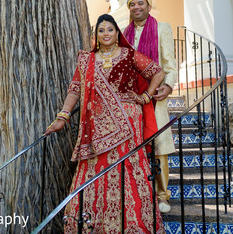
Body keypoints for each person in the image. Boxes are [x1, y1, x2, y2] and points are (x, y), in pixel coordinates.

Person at [45, 14, 166, 234]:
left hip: (128, 121)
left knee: (127, 166)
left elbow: (157, 72)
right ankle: (91, 224)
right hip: (95, 126)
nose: (106, 34)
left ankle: (133, 225)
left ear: (117, 32)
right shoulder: (86, 59)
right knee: (94, 168)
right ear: (96, 35)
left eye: (110, 29)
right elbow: (75, 89)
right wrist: (62, 117)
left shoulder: (129, 55)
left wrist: (146, 97)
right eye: (101, 30)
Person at [123, 0, 177, 214]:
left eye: (140, 3)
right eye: (132, 4)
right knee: (133, 146)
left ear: (148, 5)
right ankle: (137, 193)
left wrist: (168, 86)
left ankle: (162, 195)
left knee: (158, 146)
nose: (136, 7)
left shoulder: (162, 28)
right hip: (130, 99)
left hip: (154, 97)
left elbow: (169, 65)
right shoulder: (122, 34)